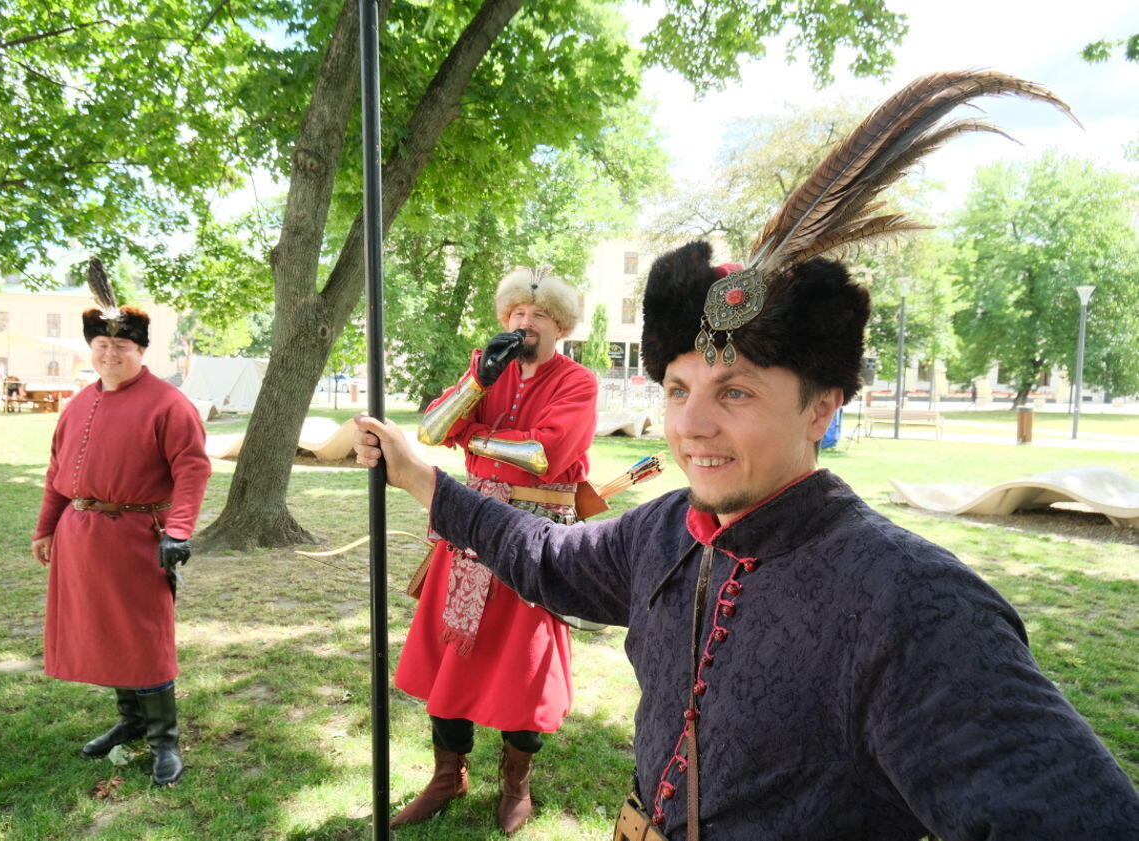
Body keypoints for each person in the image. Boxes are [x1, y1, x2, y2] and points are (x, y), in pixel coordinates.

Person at [356, 71, 1139, 840]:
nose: (691, 426)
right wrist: (423, 478)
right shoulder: (664, 529)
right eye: (678, 388)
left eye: (735, 391)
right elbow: (546, 555)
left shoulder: (913, 603)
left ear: (821, 407)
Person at [390, 266, 597, 834]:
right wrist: (477, 383)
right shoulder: (486, 367)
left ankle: (515, 783)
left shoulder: (577, 382)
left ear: (560, 327)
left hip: (534, 533)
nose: (525, 324)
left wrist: (471, 435)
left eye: (539, 316)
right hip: (466, 530)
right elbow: (432, 431)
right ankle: (447, 776)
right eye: (517, 314)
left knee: (522, 663)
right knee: (450, 653)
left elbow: (542, 455)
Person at [32, 259, 210, 786]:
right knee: (107, 634)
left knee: (143, 637)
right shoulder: (78, 403)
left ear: (141, 351)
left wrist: (179, 530)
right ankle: (131, 722)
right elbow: (57, 473)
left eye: (122, 347)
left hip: (137, 540)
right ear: (91, 349)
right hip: (80, 539)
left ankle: (164, 742)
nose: (110, 354)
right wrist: (46, 527)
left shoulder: (169, 404)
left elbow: (192, 470)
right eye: (102, 346)